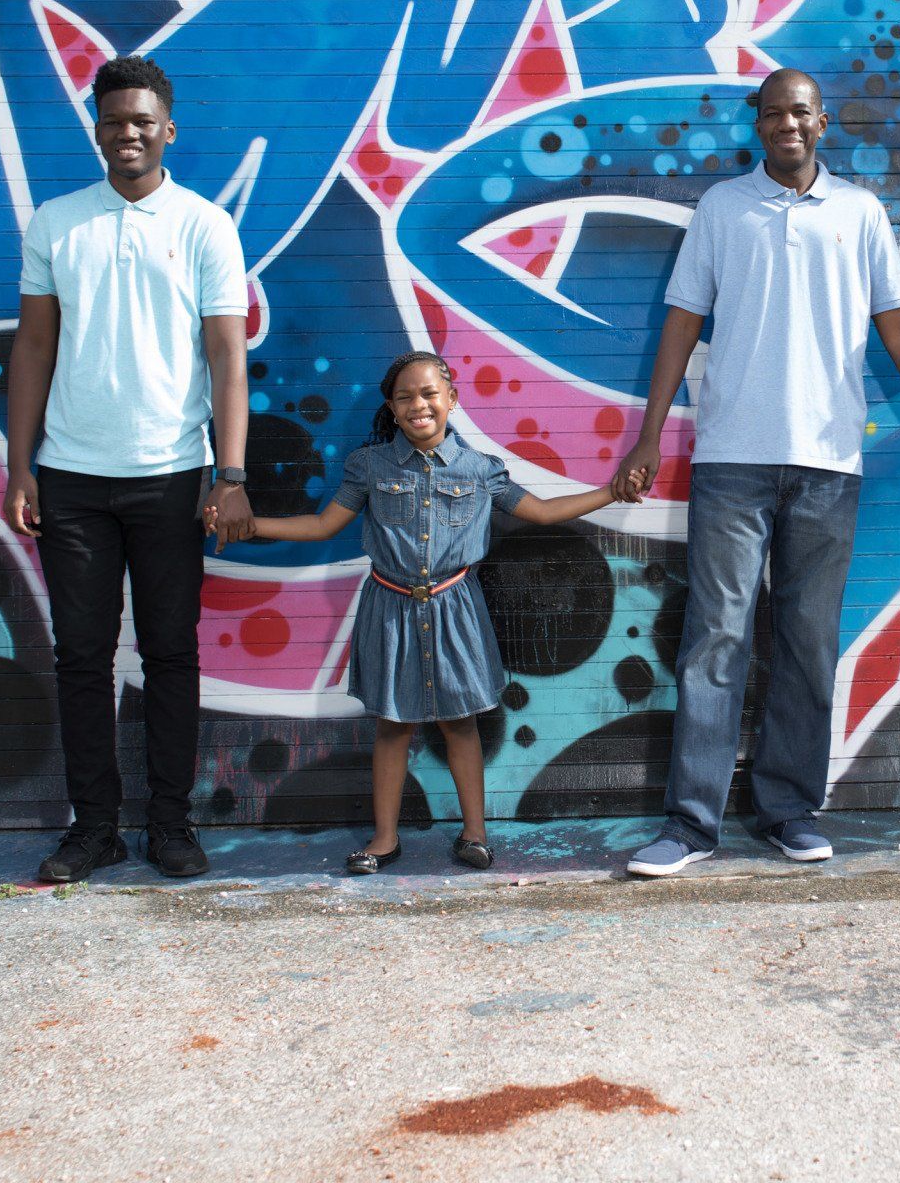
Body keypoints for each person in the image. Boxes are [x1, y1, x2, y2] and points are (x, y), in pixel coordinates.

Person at [610, 68, 900, 878]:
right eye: (775, 111)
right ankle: (690, 824)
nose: (788, 123)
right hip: (732, 461)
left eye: (801, 112)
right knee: (716, 638)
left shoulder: (858, 213)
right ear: (759, 121)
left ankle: (788, 810)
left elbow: (898, 327)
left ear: (824, 123)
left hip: (827, 464)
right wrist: (649, 438)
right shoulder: (722, 207)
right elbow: (682, 324)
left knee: (808, 641)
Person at [213, 351, 642, 873]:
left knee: (459, 723)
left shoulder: (481, 471)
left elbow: (545, 512)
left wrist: (611, 492)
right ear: (391, 409)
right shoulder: (369, 466)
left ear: (452, 400)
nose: (418, 405)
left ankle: (475, 834)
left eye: (429, 394)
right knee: (393, 725)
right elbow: (322, 526)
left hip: (455, 608)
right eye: (405, 397)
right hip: (389, 607)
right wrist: (249, 525)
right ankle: (385, 839)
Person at [4, 54, 254, 884]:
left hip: (173, 474)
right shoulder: (57, 222)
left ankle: (170, 826)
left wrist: (231, 472)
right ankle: (96, 829)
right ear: (98, 130)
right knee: (80, 658)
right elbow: (34, 345)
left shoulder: (205, 225)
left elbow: (227, 356)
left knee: (170, 655)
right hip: (71, 478)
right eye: (114, 120)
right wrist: (21, 466)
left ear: (168, 128)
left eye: (143, 120)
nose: (129, 133)